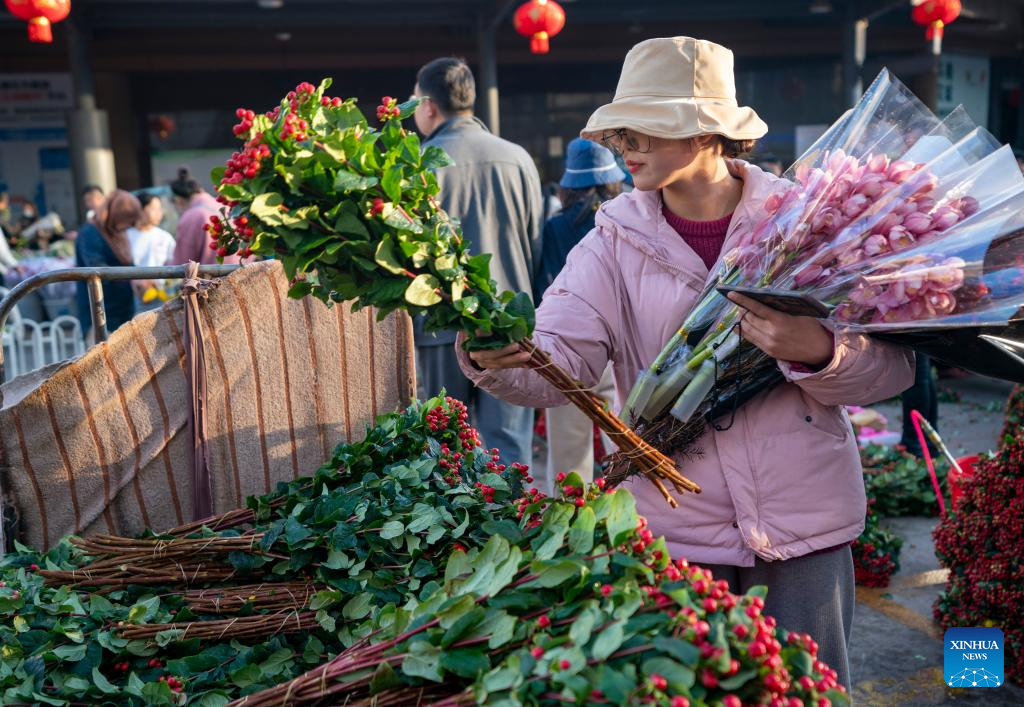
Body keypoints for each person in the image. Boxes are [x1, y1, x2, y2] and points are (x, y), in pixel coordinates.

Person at [459, 37, 914, 691]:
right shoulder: (610, 242)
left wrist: (817, 350)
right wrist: (492, 354)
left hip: (804, 524)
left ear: (705, 130)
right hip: (677, 531)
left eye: (643, 127)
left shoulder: (807, 222)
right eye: (621, 130)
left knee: (812, 692)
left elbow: (892, 369)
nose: (625, 144)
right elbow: (556, 363)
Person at [411, 56, 544, 466]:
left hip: (438, 326)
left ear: (430, 106)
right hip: (508, 323)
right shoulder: (517, 158)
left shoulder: (417, 167)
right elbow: (534, 245)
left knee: (445, 446)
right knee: (509, 447)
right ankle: (517, 524)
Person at [534, 139, 625, 492]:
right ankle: (631, 524)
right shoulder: (624, 217)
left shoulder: (555, 227)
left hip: (566, 349)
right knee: (628, 445)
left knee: (569, 456)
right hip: (620, 346)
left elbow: (544, 282)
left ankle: (570, 530)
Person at [74, 190, 141, 334]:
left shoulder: (115, 232)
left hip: (122, 311)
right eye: (127, 221)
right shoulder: (90, 232)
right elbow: (97, 269)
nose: (129, 226)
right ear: (115, 217)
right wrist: (132, 279)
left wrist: (138, 278)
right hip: (99, 314)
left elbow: (127, 264)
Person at [169, 168, 241, 265]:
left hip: (210, 278)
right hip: (244, 275)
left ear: (178, 201)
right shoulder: (230, 207)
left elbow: (181, 264)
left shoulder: (191, 216)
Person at [127, 192, 177, 310]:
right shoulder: (126, 237)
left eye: (160, 209)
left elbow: (175, 265)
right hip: (133, 298)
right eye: (154, 208)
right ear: (140, 209)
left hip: (163, 297)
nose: (159, 213)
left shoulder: (165, 237)